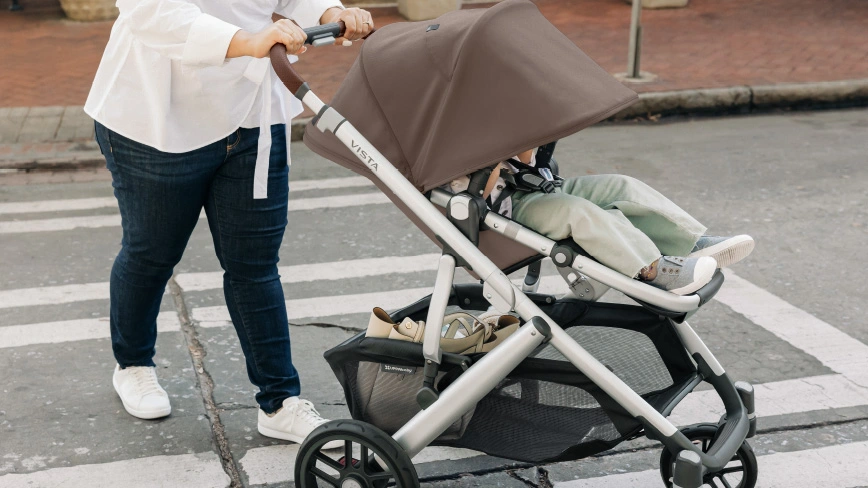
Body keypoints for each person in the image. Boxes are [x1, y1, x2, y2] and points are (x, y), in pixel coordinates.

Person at [85, 0, 374, 447]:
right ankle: (134, 365)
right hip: (156, 117)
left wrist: (330, 11)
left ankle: (280, 402)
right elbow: (151, 10)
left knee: (255, 265)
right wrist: (246, 41)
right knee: (151, 254)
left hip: (251, 111)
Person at [447, 148, 754, 295]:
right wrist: (492, 149)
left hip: (537, 184)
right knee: (578, 212)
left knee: (621, 186)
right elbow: (476, 192)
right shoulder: (452, 139)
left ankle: (686, 243)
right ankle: (652, 269)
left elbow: (528, 160)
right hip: (503, 211)